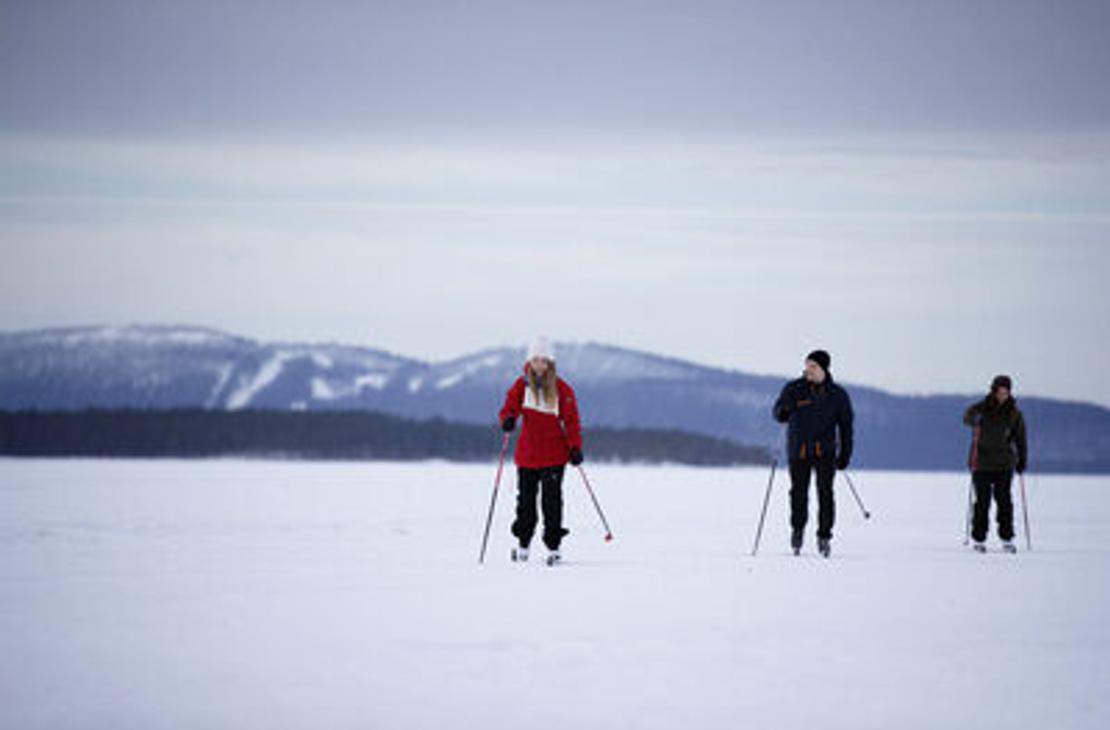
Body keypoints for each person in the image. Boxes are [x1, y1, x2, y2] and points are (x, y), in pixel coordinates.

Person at [498, 336, 583, 566]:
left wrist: (575, 448)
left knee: (551, 502)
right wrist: (507, 419)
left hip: (555, 456)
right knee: (525, 503)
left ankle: (554, 546)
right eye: (535, 360)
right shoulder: (521, 385)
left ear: (550, 363)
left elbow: (572, 421)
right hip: (527, 456)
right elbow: (509, 407)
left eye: (544, 360)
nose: (539, 365)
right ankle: (523, 543)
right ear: (530, 361)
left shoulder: (562, 389)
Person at [772, 349, 854, 557]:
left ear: (824, 369)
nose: (808, 370)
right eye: (807, 365)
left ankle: (824, 536)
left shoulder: (837, 395)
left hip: (825, 452)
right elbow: (778, 413)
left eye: (813, 366)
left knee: (825, 493)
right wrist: (783, 410)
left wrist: (845, 455)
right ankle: (797, 531)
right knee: (798, 493)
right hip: (798, 451)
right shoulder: (794, 388)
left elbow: (846, 427)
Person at [963, 375, 1028, 553]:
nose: (1003, 395)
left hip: (1004, 464)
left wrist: (1022, 460)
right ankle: (979, 539)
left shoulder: (1014, 413)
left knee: (1004, 501)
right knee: (982, 503)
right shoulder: (981, 408)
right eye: (1000, 392)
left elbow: (1020, 438)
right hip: (981, 463)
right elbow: (966, 417)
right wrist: (974, 420)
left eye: (1006, 392)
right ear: (993, 391)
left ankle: (1007, 538)